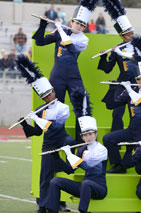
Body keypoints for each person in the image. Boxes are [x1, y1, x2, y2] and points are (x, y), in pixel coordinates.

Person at [15, 55, 77, 213]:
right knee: (45, 178)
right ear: (42, 98)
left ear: (54, 92)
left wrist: (38, 119)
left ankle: (71, 166)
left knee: (73, 143)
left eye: (50, 94)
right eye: (46, 96)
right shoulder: (41, 109)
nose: (49, 97)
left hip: (61, 138)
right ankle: (43, 208)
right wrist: (25, 124)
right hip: (48, 144)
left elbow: (56, 127)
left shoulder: (63, 107)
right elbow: (37, 132)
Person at [33, 0, 99, 141]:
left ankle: (81, 141)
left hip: (74, 76)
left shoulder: (83, 39)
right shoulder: (59, 31)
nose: (79, 27)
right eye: (77, 23)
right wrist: (43, 25)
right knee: (54, 107)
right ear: (70, 22)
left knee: (82, 107)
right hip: (57, 75)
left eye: (82, 25)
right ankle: (55, 139)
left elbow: (71, 47)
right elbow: (40, 42)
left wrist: (60, 29)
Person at [38, 114, 108, 213]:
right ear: (82, 137)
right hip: (86, 187)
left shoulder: (102, 149)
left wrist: (70, 154)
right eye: (85, 135)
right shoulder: (81, 150)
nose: (88, 137)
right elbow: (70, 170)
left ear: (95, 134)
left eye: (90, 134)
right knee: (55, 181)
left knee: (86, 183)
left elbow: (88, 166)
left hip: (99, 188)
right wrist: (56, 157)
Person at [103, 40, 141, 174]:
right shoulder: (131, 91)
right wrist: (111, 89)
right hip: (131, 131)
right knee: (108, 139)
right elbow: (112, 105)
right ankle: (117, 165)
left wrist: (130, 91)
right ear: (137, 80)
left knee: (135, 166)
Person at [98, 0, 137, 133]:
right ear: (121, 36)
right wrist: (104, 56)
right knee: (117, 114)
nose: (130, 37)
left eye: (131, 33)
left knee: (135, 113)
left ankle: (134, 138)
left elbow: (140, 61)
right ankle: (116, 136)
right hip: (122, 83)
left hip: (136, 84)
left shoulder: (140, 48)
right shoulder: (116, 49)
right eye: (127, 35)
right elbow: (108, 69)